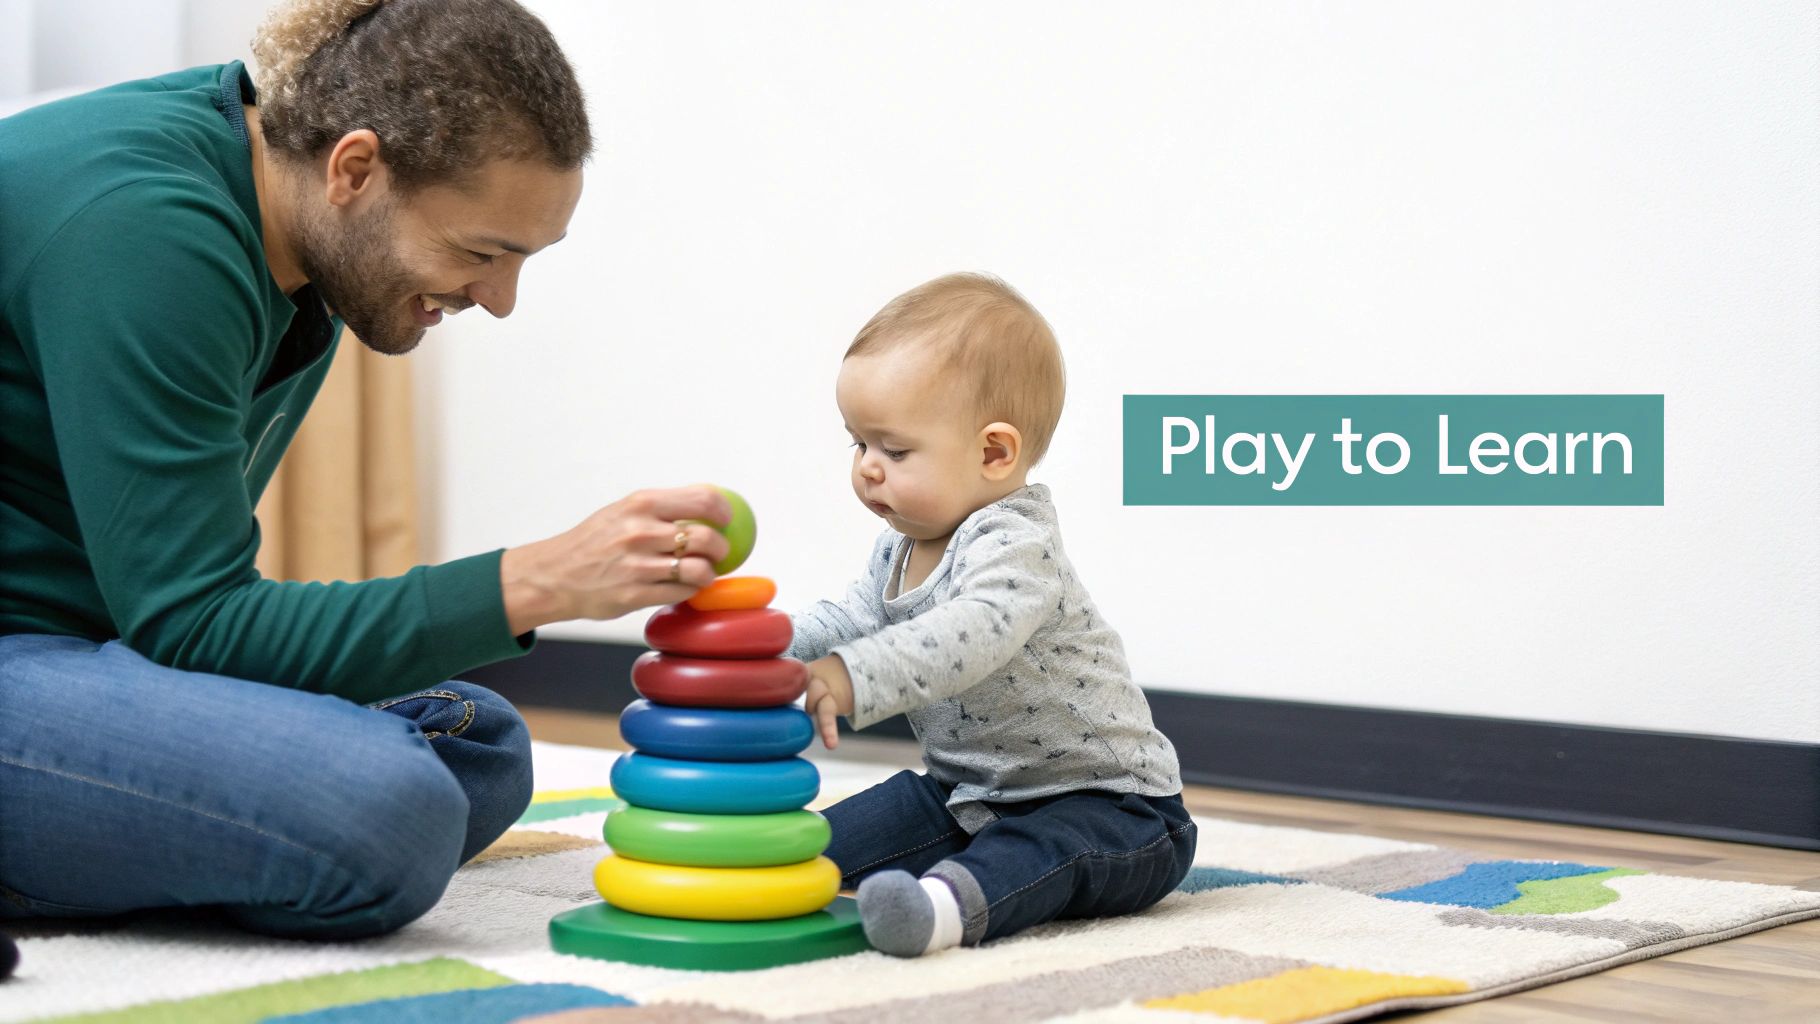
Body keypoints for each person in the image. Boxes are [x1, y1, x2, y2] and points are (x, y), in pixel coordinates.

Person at [0, 0, 731, 941]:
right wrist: (536, 580)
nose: (498, 301)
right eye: (480, 252)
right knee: (389, 809)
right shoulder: (149, 231)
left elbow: (174, 618)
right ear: (355, 167)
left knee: (477, 742)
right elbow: (193, 624)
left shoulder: (281, 219)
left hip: (77, 648)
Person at [788, 273, 1197, 957]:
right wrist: (770, 650)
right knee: (815, 850)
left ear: (994, 453)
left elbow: (971, 634)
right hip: (966, 795)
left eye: (894, 450)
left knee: (1045, 851)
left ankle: (943, 910)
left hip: (1113, 808)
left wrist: (851, 677)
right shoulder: (902, 543)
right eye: (858, 444)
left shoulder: (1016, 543)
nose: (866, 469)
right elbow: (854, 617)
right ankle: (782, 875)